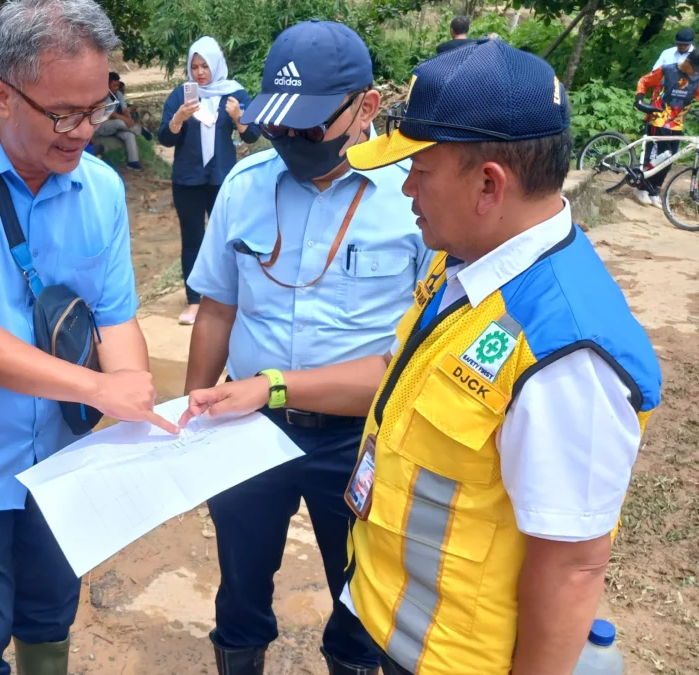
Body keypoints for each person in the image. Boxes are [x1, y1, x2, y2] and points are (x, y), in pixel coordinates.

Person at [192, 38, 664, 675]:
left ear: (489, 185)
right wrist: (272, 386)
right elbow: (396, 371)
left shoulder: (566, 353)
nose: (405, 185)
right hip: (411, 638)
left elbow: (572, 566)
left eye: (421, 168)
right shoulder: (467, 268)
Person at [0, 1, 178, 673]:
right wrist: (101, 385)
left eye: (98, 107)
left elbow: (113, 314)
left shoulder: (100, 190)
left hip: (61, 463)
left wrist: (132, 393)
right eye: (63, 114)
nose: (83, 132)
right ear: (2, 97)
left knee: (49, 616)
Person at [179, 19, 430, 675]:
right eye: (278, 125)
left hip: (359, 441)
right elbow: (215, 310)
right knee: (238, 583)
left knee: (361, 593)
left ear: (367, 107)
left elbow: (418, 360)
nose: (289, 141)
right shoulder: (245, 186)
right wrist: (190, 418)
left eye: (308, 126)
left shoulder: (416, 200)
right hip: (245, 425)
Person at [159, 36, 260, 326]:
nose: (200, 72)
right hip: (188, 179)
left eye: (205, 66)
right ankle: (194, 301)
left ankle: (228, 297)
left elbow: (252, 135)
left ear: (216, 64)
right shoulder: (181, 95)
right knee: (192, 239)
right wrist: (178, 118)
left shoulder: (234, 93)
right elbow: (165, 138)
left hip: (222, 178)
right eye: (194, 66)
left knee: (228, 239)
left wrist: (239, 118)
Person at [633, 50, 699, 206]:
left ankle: (653, 190)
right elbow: (644, 81)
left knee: (670, 160)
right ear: (688, 62)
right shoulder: (667, 70)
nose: (696, 72)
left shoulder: (696, 78)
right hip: (658, 120)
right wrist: (639, 99)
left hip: (677, 123)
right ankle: (640, 188)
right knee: (657, 157)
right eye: (695, 68)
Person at [94, 71, 152, 171]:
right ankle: (140, 130)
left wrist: (129, 118)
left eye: (118, 85)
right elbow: (111, 114)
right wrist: (126, 120)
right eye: (114, 85)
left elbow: (125, 110)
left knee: (129, 135)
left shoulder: (119, 94)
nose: (116, 88)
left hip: (117, 125)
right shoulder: (101, 96)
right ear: (106, 84)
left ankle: (133, 162)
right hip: (102, 126)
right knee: (120, 122)